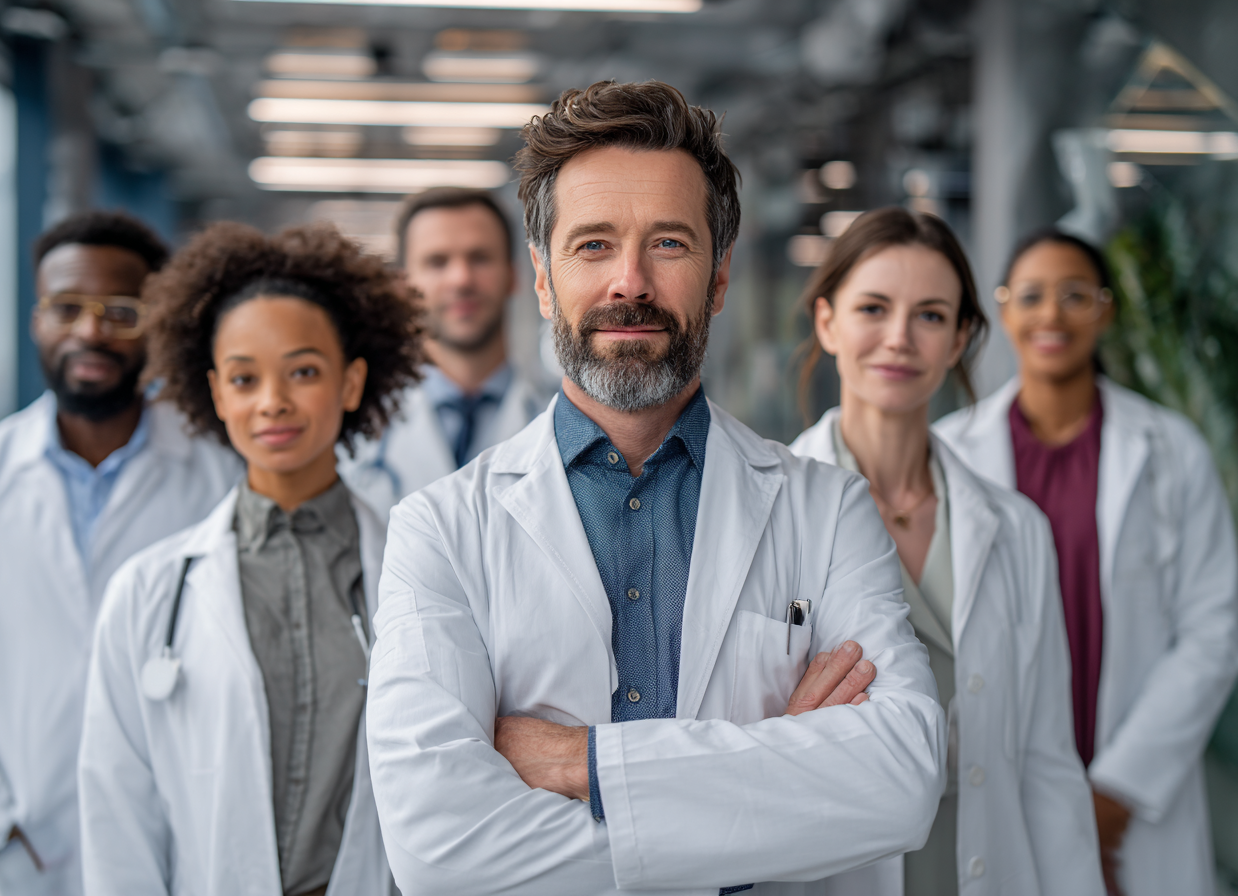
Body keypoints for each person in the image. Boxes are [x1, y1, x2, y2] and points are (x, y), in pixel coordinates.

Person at [365, 80, 945, 896]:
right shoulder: (440, 528)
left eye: (669, 243)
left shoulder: (827, 510)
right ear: (542, 278)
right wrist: (769, 775)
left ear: (719, 276)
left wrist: (581, 762)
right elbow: (437, 845)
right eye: (593, 245)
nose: (630, 282)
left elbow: (902, 780)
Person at [0, 211, 242, 895]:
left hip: (183, 849)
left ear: (157, 322)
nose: (91, 331)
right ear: (37, 321)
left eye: (121, 311)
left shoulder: (222, 474)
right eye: (66, 308)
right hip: (16, 858)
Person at [77, 222, 423, 896]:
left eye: (304, 371)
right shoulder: (148, 591)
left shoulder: (421, 572)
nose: (272, 402)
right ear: (216, 393)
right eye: (244, 377)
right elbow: (118, 811)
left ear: (351, 382)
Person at [789, 208, 1104, 895]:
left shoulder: (1016, 529)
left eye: (930, 315)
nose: (899, 338)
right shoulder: (770, 516)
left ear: (961, 338)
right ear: (828, 322)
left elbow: (1048, 763)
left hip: (983, 861)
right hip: (835, 868)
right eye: (873, 308)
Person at [935, 229, 1238, 896]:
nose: (1051, 314)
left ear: (1106, 310)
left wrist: (1117, 792)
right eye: (1031, 296)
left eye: (1075, 295)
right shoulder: (950, 454)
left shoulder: (1171, 450)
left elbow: (1214, 631)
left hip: (1134, 797)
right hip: (999, 781)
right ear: (1003, 311)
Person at [341, 187, 544, 517]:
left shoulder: (559, 421)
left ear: (514, 276)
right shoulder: (359, 433)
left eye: (480, 258)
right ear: (403, 285)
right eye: (437, 262)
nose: (461, 279)